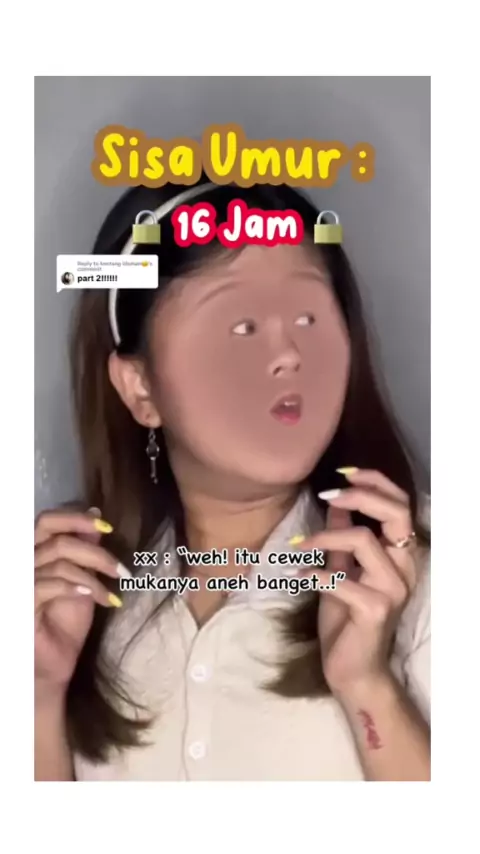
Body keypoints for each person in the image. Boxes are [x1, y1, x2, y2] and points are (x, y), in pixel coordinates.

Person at [34, 175, 431, 781]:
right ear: (140, 389)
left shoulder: (426, 568)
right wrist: (37, 696)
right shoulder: (71, 597)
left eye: (308, 318)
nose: (289, 354)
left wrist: (368, 686)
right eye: (241, 327)